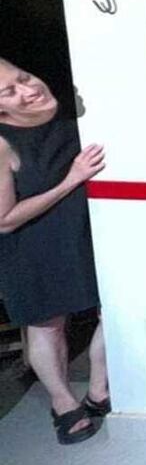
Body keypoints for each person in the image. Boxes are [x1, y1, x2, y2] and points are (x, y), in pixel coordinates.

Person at [0, 58, 109, 444]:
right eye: (9, 91)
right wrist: (73, 179)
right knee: (49, 324)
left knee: (113, 309)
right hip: (31, 244)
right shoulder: (2, 142)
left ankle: (99, 389)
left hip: (81, 232)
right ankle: (63, 403)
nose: (28, 90)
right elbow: (5, 219)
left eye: (24, 77)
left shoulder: (72, 116)